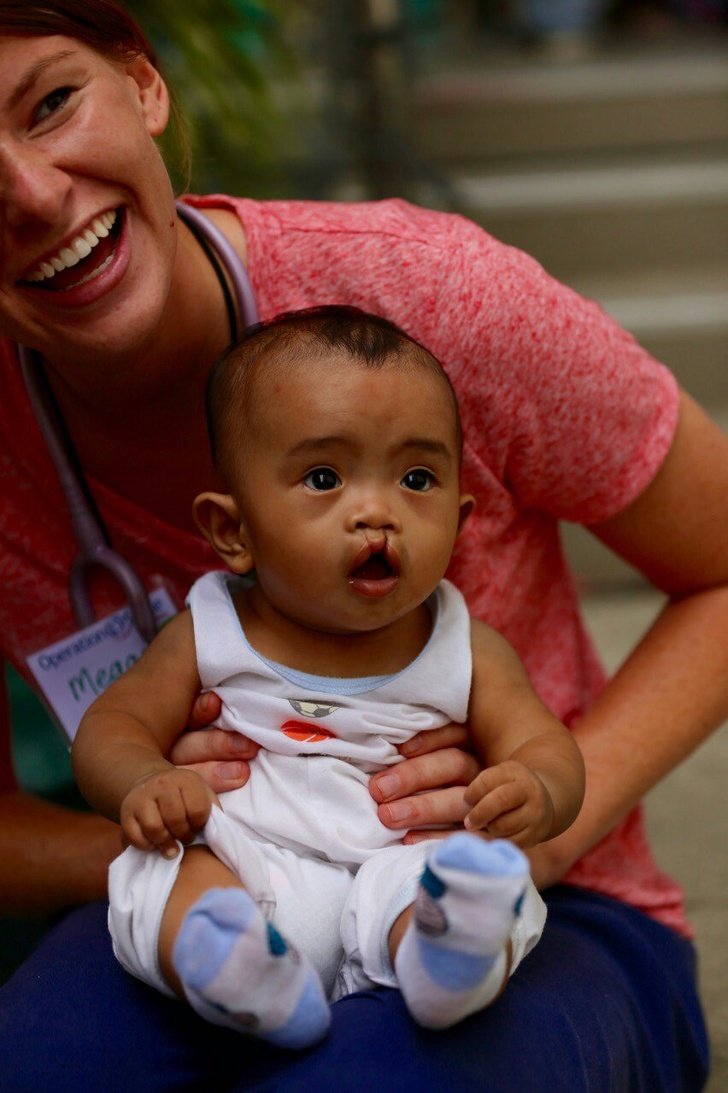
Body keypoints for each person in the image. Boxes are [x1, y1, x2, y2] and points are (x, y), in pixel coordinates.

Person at [0, 0, 721, 1088]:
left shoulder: (428, 303)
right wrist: (193, 831)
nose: (30, 191)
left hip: (523, 894)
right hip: (211, 884)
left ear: (144, 85)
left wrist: (527, 821)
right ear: (225, 531)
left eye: (50, 103)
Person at [71, 306, 585, 1045]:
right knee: (170, 879)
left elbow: (547, 746)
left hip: (401, 855)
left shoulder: (465, 645)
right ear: (233, 531)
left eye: (416, 477)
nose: (377, 512)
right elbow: (111, 727)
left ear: (461, 519)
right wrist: (143, 779)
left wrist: (536, 789)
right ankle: (237, 969)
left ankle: (448, 956)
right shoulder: (208, 631)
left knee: (460, 878)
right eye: (323, 477)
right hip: (242, 856)